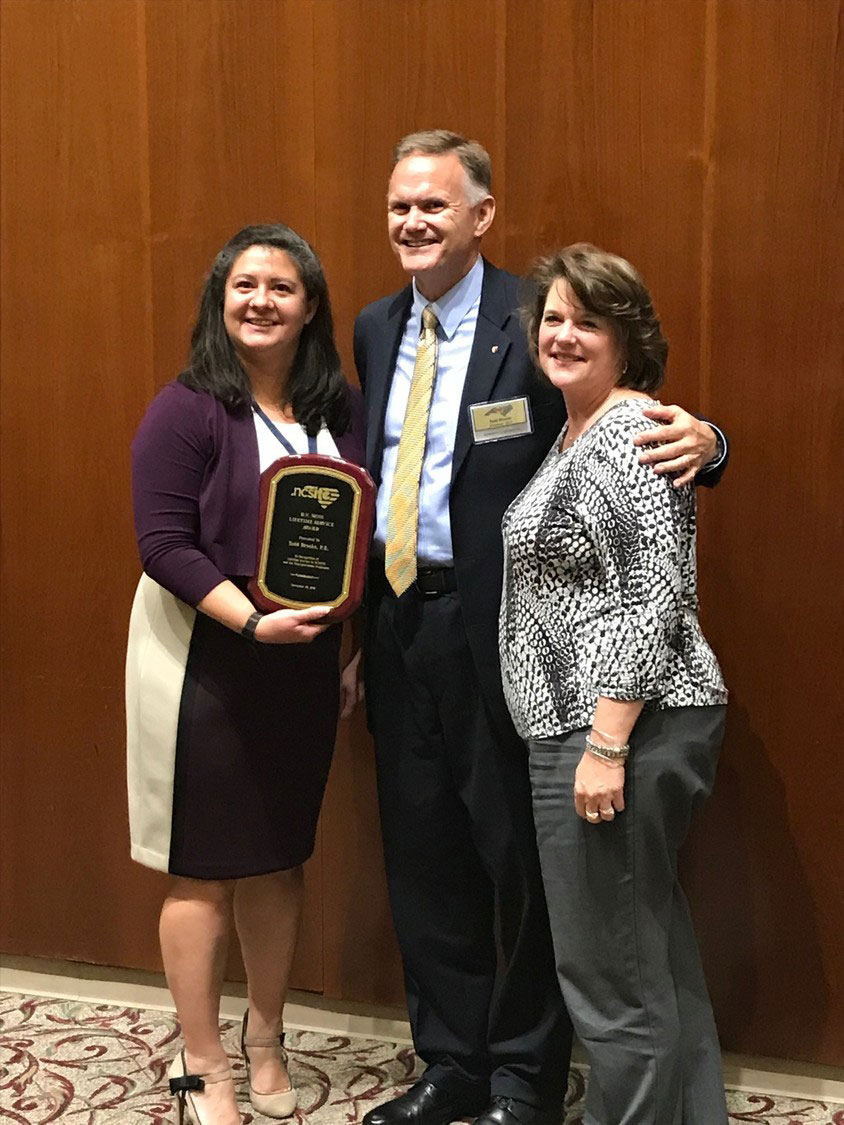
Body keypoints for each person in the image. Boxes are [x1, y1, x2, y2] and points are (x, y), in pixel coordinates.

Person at [353, 129, 728, 1125]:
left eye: (434, 204)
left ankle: (523, 1080)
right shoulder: (371, 327)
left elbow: (642, 445)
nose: (413, 221)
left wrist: (711, 440)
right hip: (400, 629)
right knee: (424, 862)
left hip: (521, 661)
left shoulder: (532, 321)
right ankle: (451, 1065)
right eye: (398, 203)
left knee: (534, 878)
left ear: (481, 215)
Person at [127, 223, 365, 1125]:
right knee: (202, 870)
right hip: (204, 662)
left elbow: (358, 537)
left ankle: (265, 1038)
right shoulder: (187, 408)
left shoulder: (338, 403)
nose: (260, 301)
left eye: (282, 287)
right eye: (244, 285)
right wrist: (254, 619)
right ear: (219, 300)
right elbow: (163, 546)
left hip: (300, 668)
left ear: (311, 307)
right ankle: (202, 1063)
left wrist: (347, 648)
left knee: (278, 859)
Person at [500, 244, 729, 1124]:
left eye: (586, 321)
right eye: (552, 317)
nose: (562, 334)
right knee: (650, 962)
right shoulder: (577, 430)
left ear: (626, 339)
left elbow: (651, 596)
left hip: (616, 725)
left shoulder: (635, 435)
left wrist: (604, 743)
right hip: (598, 721)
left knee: (609, 983)